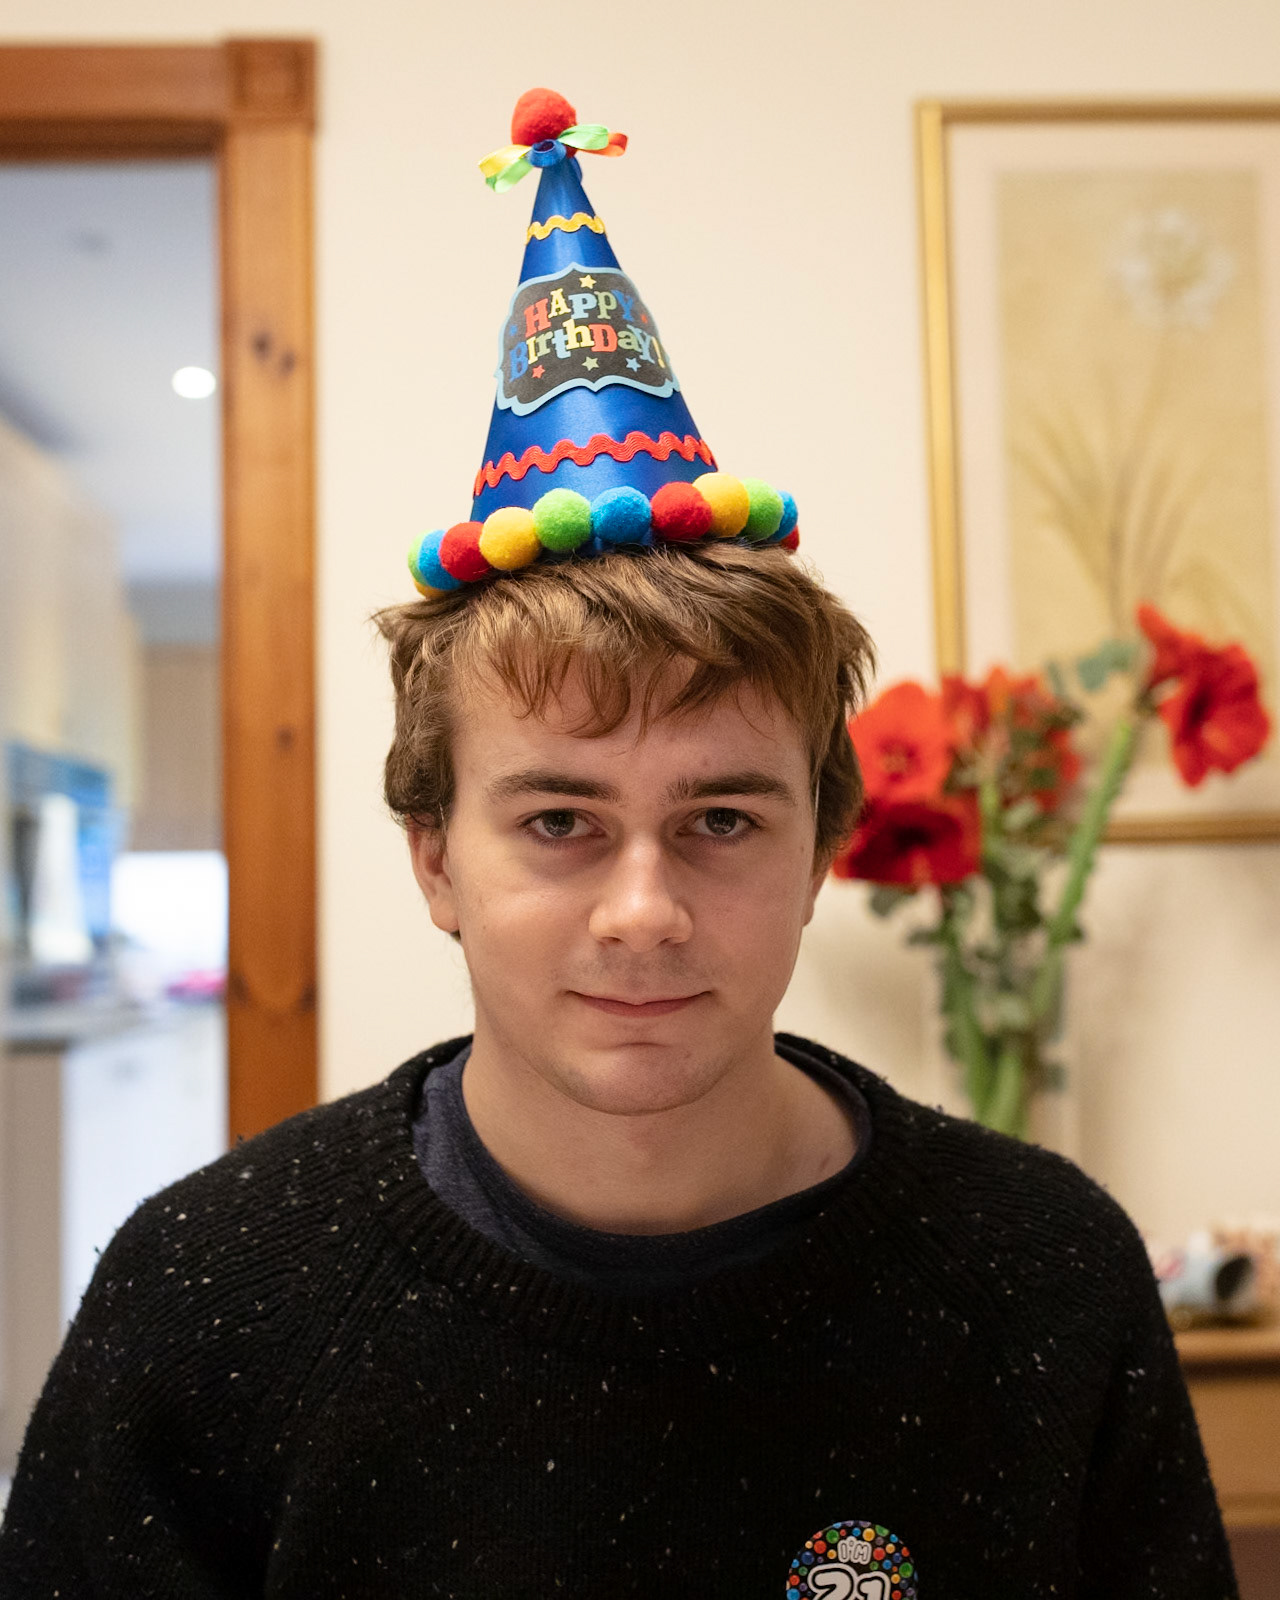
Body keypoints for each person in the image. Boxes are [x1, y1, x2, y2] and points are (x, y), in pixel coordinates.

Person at [0, 89, 1238, 1599]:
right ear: (435, 859)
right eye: (559, 822)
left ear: (821, 851)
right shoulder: (205, 1301)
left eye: (720, 819)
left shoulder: (1046, 1276)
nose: (643, 911)